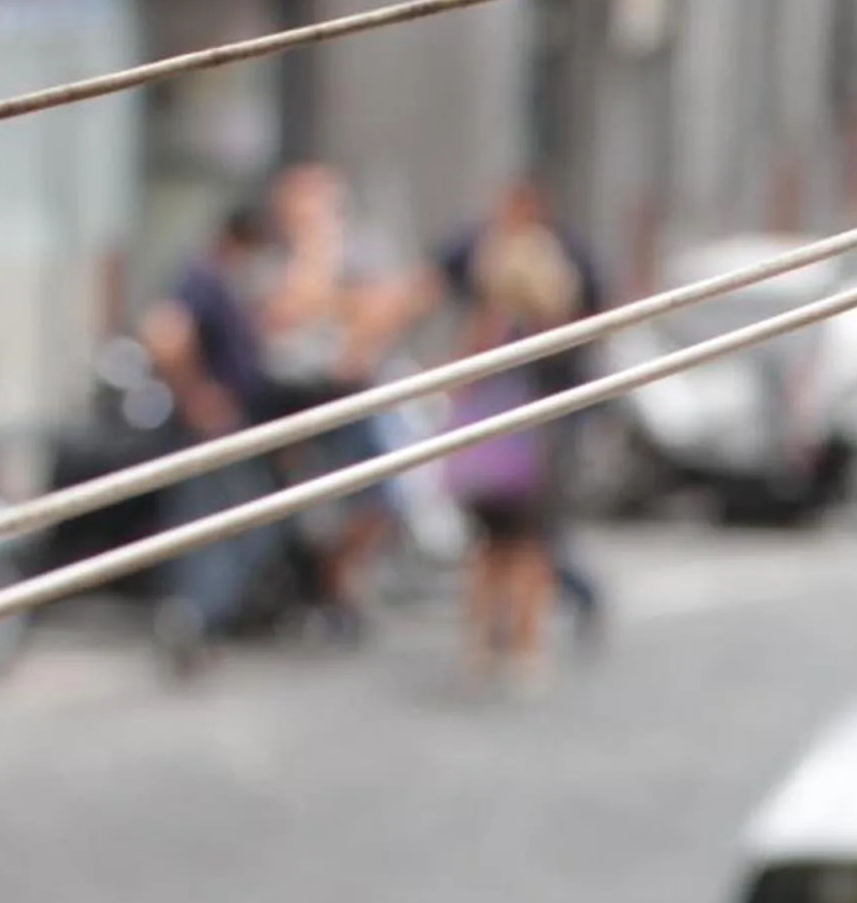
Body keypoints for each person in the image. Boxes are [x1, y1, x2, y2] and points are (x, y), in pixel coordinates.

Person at [247, 163, 423, 632]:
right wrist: (317, 267)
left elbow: (385, 307)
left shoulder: (362, 249)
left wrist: (335, 301)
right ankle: (313, 588)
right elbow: (278, 315)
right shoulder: (274, 256)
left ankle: (336, 581)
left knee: (381, 498)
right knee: (288, 499)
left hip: (353, 398)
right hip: (290, 397)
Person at [436, 177, 607, 649]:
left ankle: (509, 639)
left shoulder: (554, 276)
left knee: (520, 545)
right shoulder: (509, 300)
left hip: (531, 434)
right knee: (515, 544)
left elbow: (467, 368)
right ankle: (507, 640)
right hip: (519, 438)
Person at [443, 221, 584, 692]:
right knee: (529, 553)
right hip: (534, 455)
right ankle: (526, 646)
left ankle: (481, 644)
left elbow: (460, 378)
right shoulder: (555, 321)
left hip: (486, 456)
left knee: (489, 552)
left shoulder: (490, 320)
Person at [138, 204, 280, 671]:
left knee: (235, 525)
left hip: (227, 427)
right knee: (216, 529)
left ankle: (200, 620)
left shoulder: (217, 282)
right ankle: (192, 619)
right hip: (210, 434)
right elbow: (164, 335)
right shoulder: (202, 278)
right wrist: (197, 398)